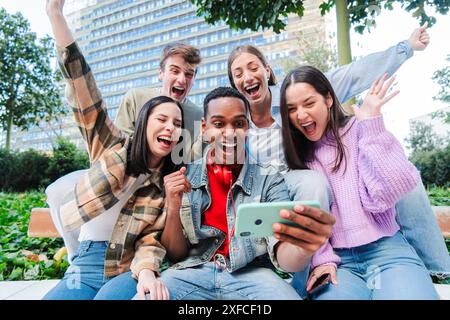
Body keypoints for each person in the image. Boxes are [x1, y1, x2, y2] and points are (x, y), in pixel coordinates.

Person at [227, 27, 450, 283]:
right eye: (238, 74)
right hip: (275, 193)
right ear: (234, 85)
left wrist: (406, 47)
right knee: (311, 184)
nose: (247, 76)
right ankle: (310, 273)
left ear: (267, 70)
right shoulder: (237, 121)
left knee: (404, 180)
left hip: (311, 176)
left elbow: (354, 74)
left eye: (253, 67)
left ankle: (437, 269)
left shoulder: (294, 94)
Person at [134, 87, 336, 300]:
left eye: (239, 124)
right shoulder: (185, 175)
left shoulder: (269, 179)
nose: (229, 134)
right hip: (192, 273)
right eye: (219, 124)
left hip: (253, 276)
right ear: (204, 127)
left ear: (248, 128)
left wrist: (303, 248)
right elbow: (177, 254)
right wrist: (173, 208)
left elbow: (284, 257)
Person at [43, 0, 185, 300]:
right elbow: (83, 90)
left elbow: (151, 241)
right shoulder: (111, 145)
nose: (170, 127)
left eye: (177, 123)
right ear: (144, 123)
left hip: (127, 265)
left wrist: (147, 272)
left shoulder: (164, 185)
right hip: (86, 260)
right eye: (162, 119)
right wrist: (55, 13)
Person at [279, 66, 439, 299]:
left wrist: (372, 125)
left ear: (329, 99)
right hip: (337, 263)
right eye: (292, 109)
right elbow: (307, 218)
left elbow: (386, 194)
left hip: (387, 250)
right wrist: (322, 260)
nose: (301, 115)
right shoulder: (299, 154)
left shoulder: (361, 129)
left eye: (309, 103)